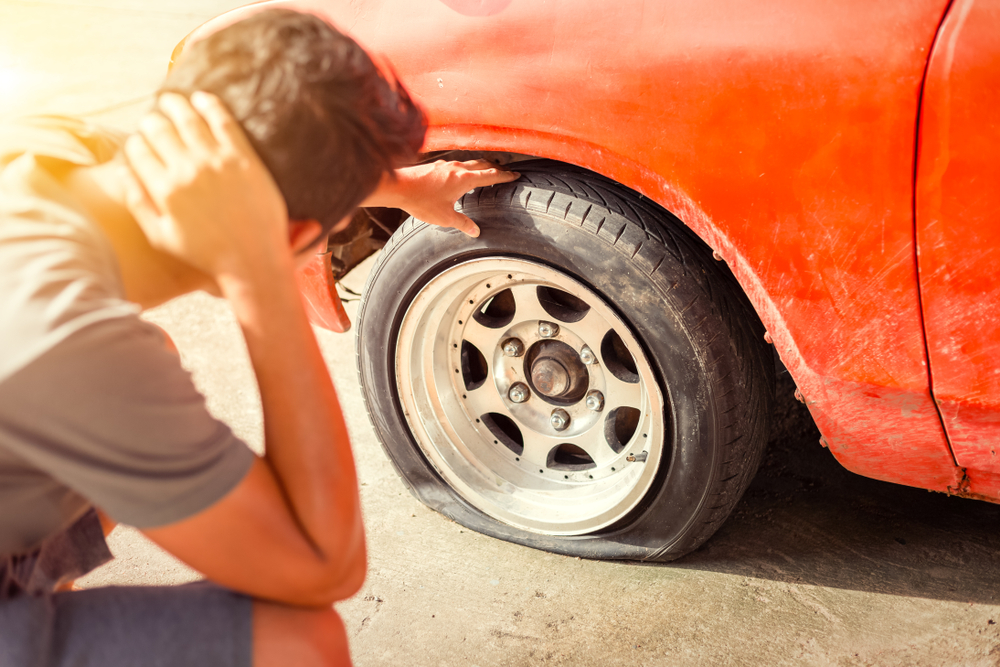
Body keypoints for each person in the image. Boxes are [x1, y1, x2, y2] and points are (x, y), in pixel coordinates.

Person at [0, 8, 517, 667]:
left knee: (138, 382)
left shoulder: (46, 152)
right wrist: (261, 274)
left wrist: (393, 186)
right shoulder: (70, 343)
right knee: (301, 645)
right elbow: (327, 566)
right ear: (295, 234)